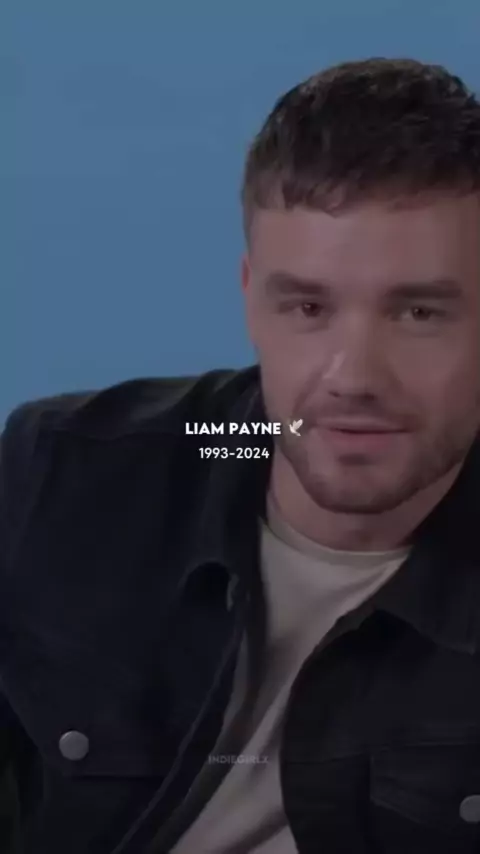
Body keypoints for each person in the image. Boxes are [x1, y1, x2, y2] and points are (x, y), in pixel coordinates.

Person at [1, 56, 480, 854]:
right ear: (251, 299)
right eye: (307, 306)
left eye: (419, 313)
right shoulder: (67, 473)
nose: (353, 377)